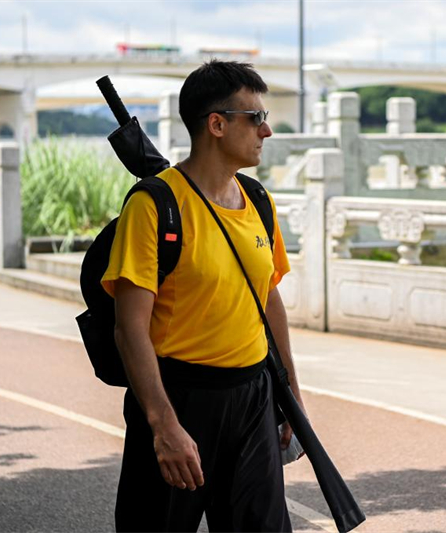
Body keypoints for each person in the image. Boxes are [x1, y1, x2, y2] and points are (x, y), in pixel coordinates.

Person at [101, 60, 306, 532]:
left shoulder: (258, 200)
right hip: (180, 398)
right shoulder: (154, 205)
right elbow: (129, 327)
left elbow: (268, 298)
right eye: (255, 118)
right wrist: (163, 424)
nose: (267, 130)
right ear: (216, 124)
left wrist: (290, 390)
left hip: (253, 398)